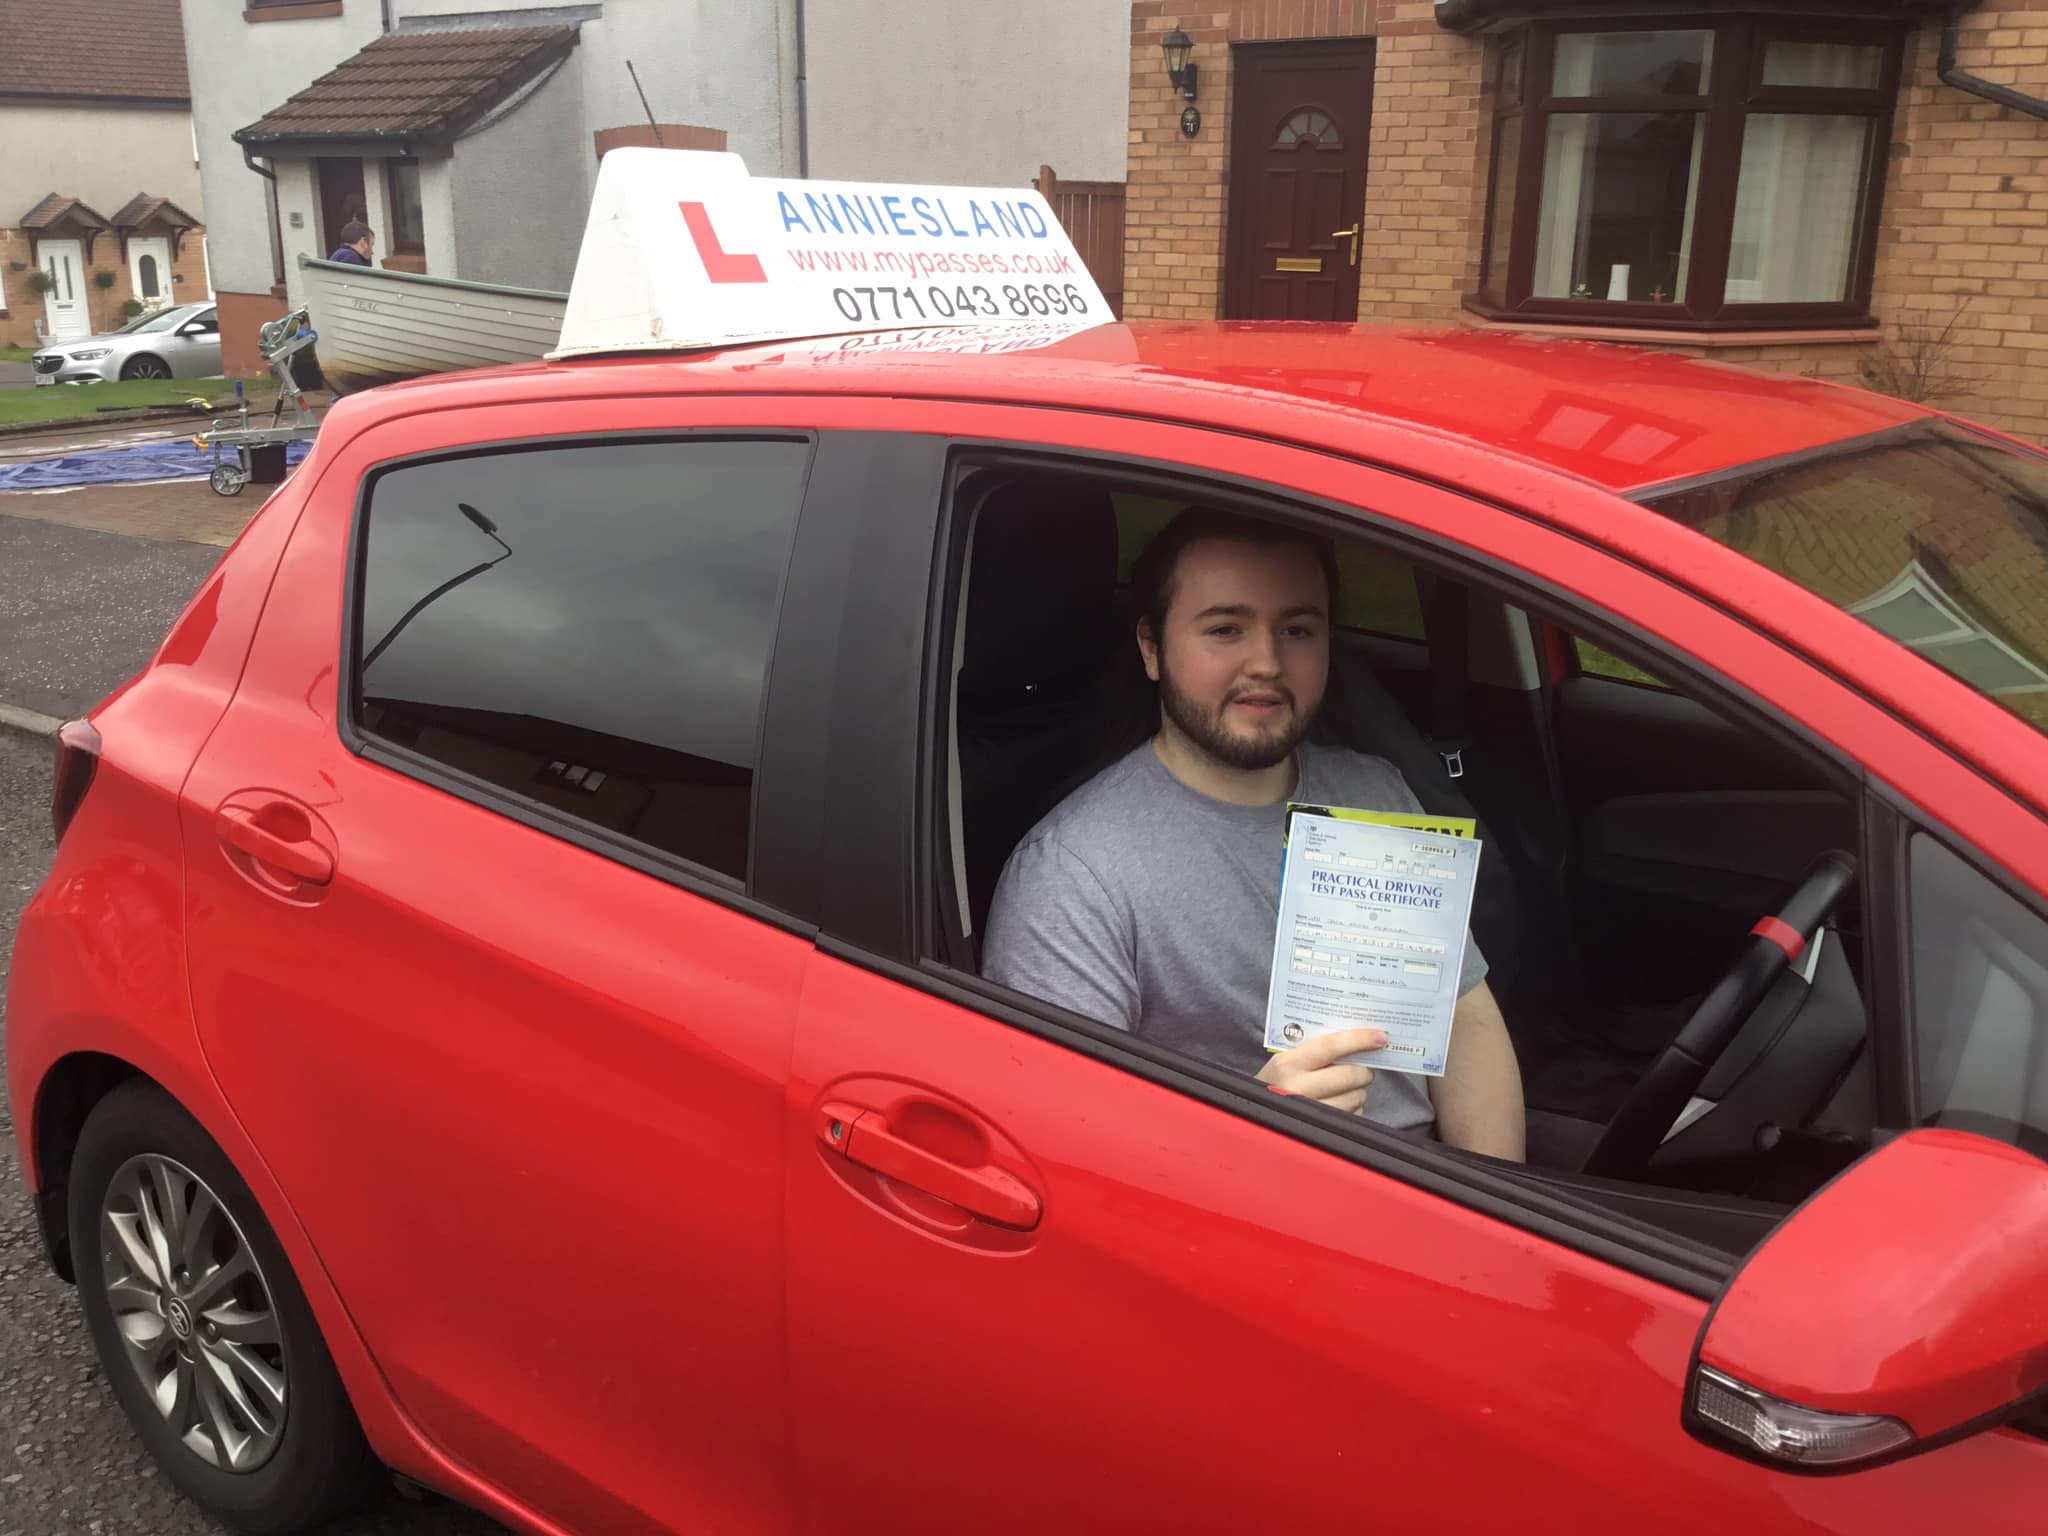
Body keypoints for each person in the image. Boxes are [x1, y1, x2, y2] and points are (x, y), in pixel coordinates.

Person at [984, 508, 1526, 1160]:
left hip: (1441, 1204)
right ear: (1152, 648)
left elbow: (1465, 1024)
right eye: (1226, 629)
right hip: (1243, 1230)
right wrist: (1250, 1133)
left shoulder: (1376, 793)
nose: (1266, 661)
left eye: (1297, 629)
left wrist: (1498, 1229)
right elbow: (1066, 1159)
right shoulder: (1071, 876)